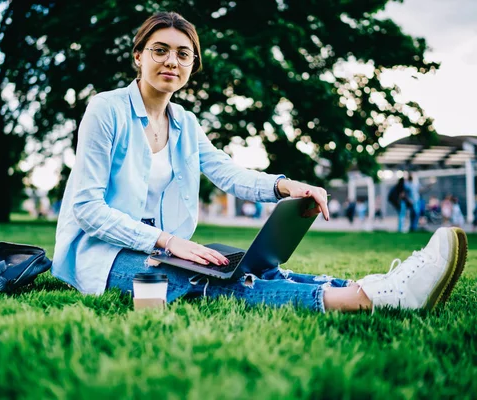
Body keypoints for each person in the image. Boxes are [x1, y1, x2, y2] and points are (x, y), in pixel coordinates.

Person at [52, 12, 467, 313]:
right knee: (198, 281)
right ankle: (362, 299)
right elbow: (87, 209)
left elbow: (226, 172)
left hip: (167, 248)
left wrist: (286, 187)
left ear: (193, 66)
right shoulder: (106, 109)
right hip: (106, 253)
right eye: (159, 50)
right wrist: (168, 241)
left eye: (183, 54)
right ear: (138, 56)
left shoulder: (186, 123)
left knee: (243, 270)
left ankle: (381, 287)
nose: (171, 62)